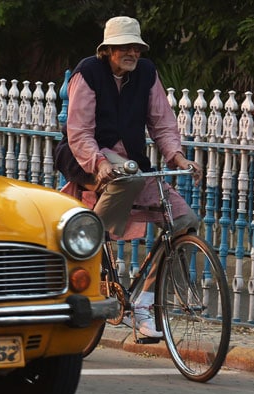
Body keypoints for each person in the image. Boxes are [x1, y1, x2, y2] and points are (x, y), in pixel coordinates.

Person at [54, 16, 202, 338]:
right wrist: (99, 163)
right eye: (124, 47)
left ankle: (145, 301)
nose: (131, 52)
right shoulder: (88, 73)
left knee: (186, 220)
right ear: (108, 50)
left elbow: (162, 122)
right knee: (127, 178)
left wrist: (177, 156)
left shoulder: (147, 73)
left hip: (132, 163)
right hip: (88, 155)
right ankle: (86, 243)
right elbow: (78, 132)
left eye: (135, 46)